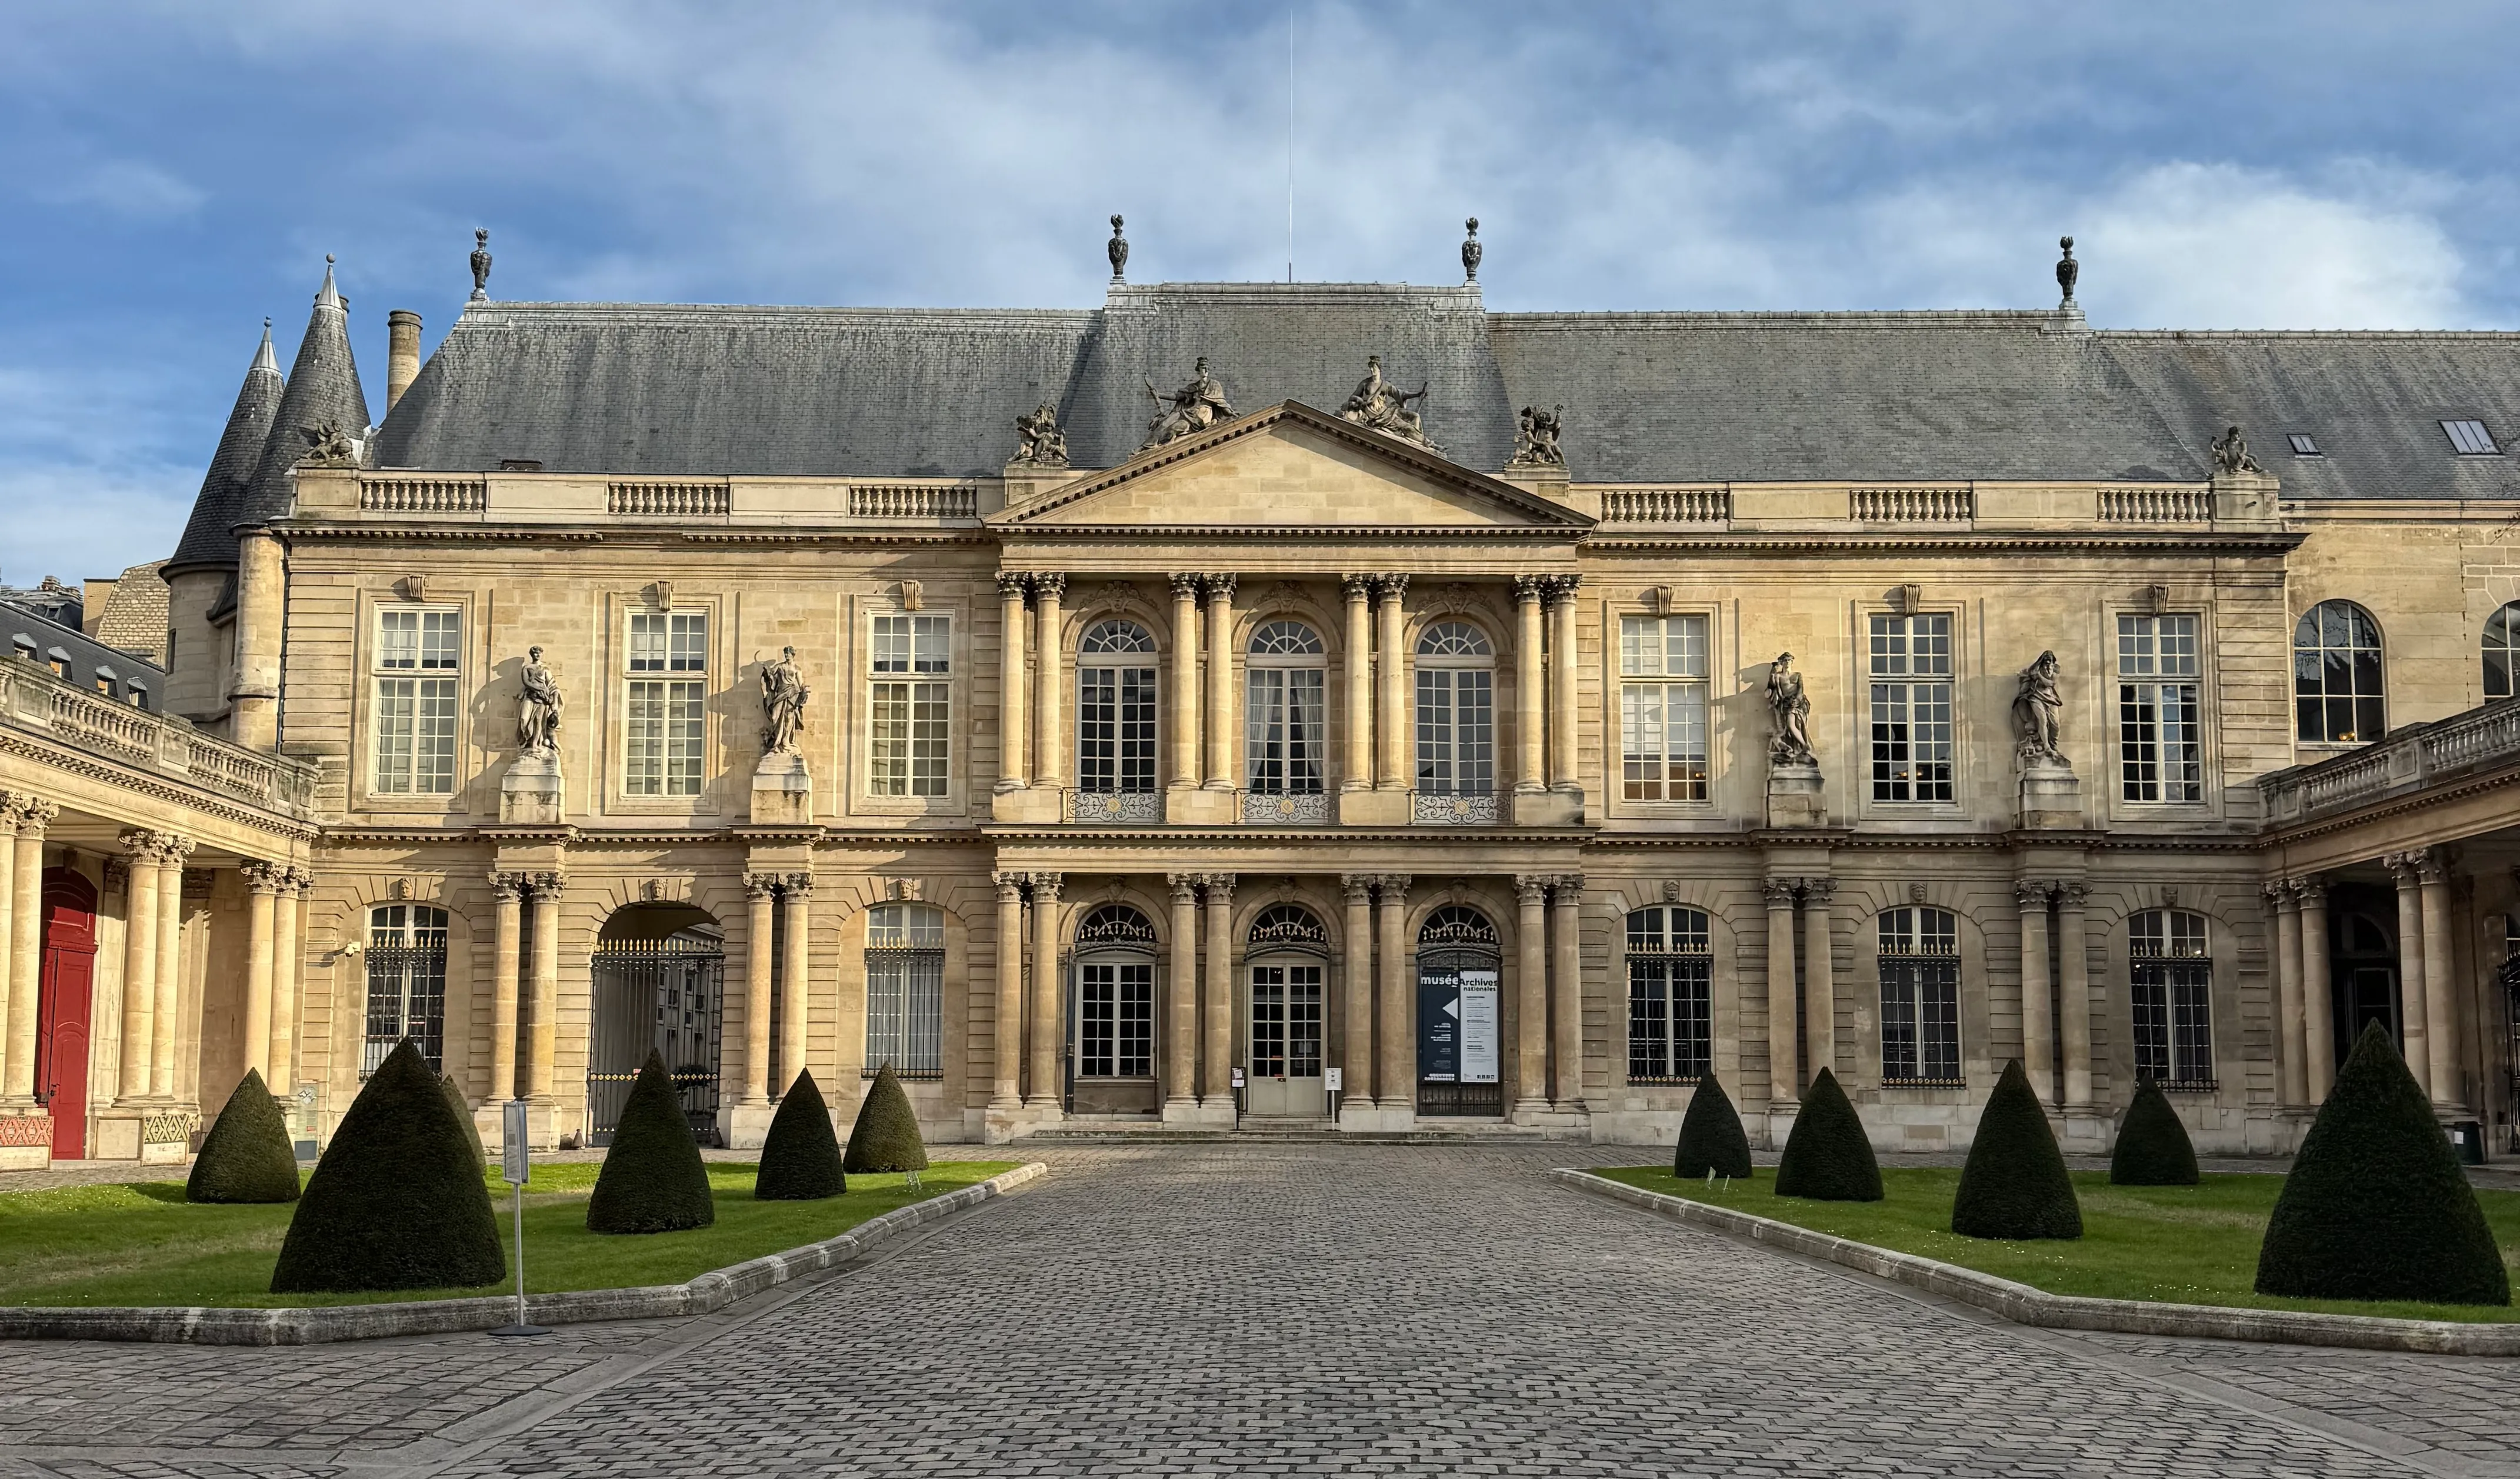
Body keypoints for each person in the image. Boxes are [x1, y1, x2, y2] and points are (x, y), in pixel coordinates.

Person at [761, 645, 809, 754]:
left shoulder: (797, 669)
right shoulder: (780, 666)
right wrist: (767, 671)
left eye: (789, 654)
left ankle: (786, 741)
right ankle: (776, 742)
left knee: (789, 718)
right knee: (774, 717)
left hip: (792, 694)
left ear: (793, 655)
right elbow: (771, 676)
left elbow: (801, 684)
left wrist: (804, 691)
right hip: (780, 694)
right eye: (786, 653)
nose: (787, 655)